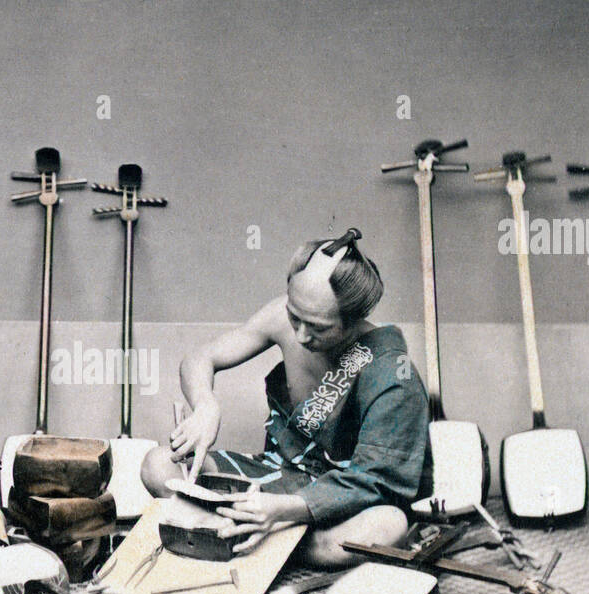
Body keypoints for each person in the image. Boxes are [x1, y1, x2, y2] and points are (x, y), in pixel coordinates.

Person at [141, 228, 431, 567]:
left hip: (338, 499)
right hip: (280, 474)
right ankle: (259, 537)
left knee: (388, 525)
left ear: (353, 320)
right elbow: (200, 358)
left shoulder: (392, 374)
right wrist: (205, 406)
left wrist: (285, 511)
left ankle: (244, 536)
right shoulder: (286, 316)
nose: (301, 335)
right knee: (158, 464)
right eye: (296, 316)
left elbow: (375, 483)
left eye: (319, 328)